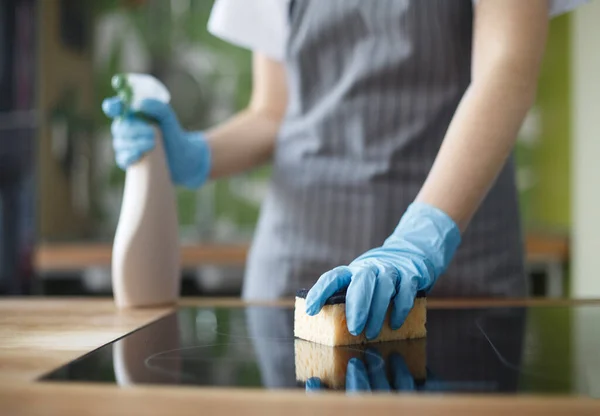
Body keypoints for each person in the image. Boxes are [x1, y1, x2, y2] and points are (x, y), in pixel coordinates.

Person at [102, 0, 587, 339]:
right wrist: (193, 153)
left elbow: (505, 68)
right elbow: (272, 113)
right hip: (301, 262)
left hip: (459, 266)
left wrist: (421, 238)